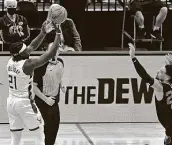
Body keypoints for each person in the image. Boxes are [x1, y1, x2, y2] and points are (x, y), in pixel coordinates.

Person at [6, 21, 61, 145]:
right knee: (39, 133)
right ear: (22, 53)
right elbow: (50, 54)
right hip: (24, 103)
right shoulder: (28, 65)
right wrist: (58, 34)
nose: (28, 48)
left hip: (11, 103)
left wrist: (43, 33)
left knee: (15, 137)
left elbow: (31, 46)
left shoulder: (11, 60)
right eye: (26, 49)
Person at [129, 43, 172, 145]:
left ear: (166, 77)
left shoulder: (160, 87)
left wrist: (133, 58)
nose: (158, 71)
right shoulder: (169, 85)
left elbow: (145, 76)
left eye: (161, 72)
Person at [33, 43, 66, 145]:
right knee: (49, 126)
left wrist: (62, 85)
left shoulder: (60, 62)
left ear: (58, 51)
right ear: (47, 51)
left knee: (55, 124)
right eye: (51, 50)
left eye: (55, 50)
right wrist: (46, 99)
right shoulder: (40, 65)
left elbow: (58, 76)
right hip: (43, 100)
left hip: (54, 100)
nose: (53, 52)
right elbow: (34, 86)